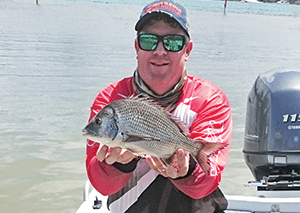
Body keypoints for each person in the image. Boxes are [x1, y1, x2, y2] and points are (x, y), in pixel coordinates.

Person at [85, 1, 232, 212]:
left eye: (172, 42)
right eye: (149, 40)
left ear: (187, 50)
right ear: (137, 47)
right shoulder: (110, 99)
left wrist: (187, 168)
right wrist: (119, 164)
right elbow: (101, 185)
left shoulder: (209, 100)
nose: (160, 51)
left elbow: (205, 184)